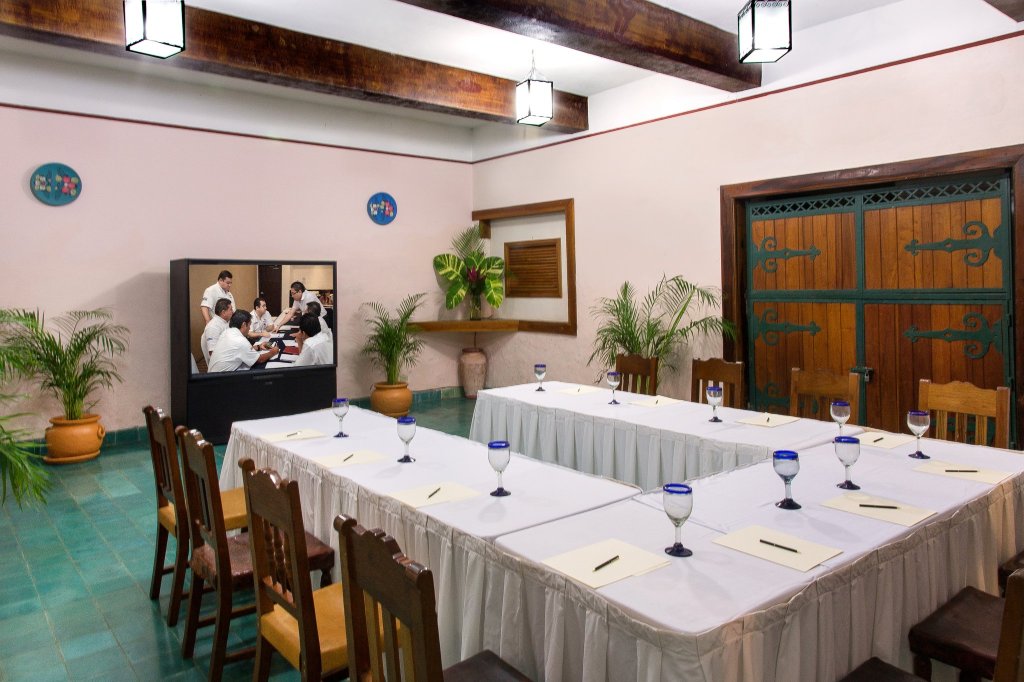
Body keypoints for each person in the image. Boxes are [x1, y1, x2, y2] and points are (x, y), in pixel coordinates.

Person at [208, 311, 280, 372]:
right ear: (244, 325)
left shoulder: (227, 332)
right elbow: (260, 360)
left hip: (212, 375)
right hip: (221, 381)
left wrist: (258, 347)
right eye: (249, 325)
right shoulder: (240, 341)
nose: (249, 328)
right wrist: (273, 352)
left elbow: (238, 351)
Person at [200, 298, 233, 366]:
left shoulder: (225, 322)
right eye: (231, 309)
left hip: (227, 356)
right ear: (223, 312)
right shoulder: (213, 327)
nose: (232, 312)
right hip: (219, 364)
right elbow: (213, 353)